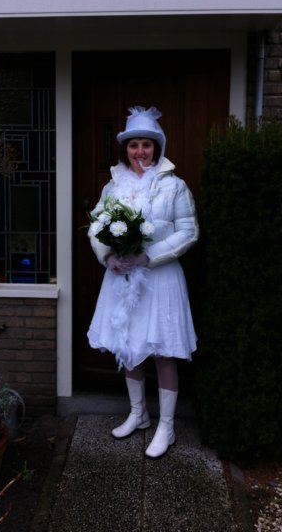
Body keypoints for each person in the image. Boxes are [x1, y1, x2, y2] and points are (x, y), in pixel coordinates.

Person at [87, 106, 199, 458]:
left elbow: (188, 231)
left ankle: (166, 426)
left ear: (157, 147)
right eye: (134, 145)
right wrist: (107, 256)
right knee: (128, 347)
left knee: (163, 352)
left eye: (146, 145)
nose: (140, 152)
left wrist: (149, 256)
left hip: (161, 280)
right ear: (126, 148)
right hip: (122, 279)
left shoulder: (174, 186)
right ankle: (139, 414)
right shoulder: (113, 186)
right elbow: (96, 227)